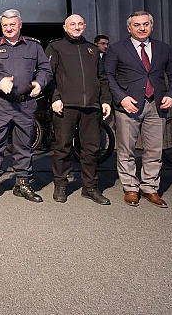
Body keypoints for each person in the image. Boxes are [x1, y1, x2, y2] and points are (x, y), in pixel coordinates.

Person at [104, 11, 172, 208]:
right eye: (137, 25)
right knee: (126, 149)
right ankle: (130, 187)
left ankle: (150, 187)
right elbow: (108, 76)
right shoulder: (116, 48)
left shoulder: (163, 48)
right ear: (129, 28)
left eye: (146, 24)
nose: (142, 28)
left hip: (157, 103)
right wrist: (121, 98)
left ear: (152, 26)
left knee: (155, 149)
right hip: (128, 104)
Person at [0, 9, 51, 203]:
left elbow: (45, 69)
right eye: (5, 25)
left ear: (20, 24)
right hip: (0, 103)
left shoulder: (34, 46)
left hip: (25, 104)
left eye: (12, 25)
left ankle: (22, 184)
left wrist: (40, 83)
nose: (9, 28)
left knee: (24, 145)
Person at [45, 14, 111, 205]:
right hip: (65, 106)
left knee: (91, 149)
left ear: (85, 26)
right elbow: (47, 75)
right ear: (65, 27)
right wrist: (55, 98)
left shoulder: (92, 49)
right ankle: (60, 185)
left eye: (80, 24)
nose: (76, 27)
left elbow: (102, 78)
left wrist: (105, 100)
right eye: (72, 24)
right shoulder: (56, 47)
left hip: (91, 106)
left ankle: (90, 187)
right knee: (62, 148)